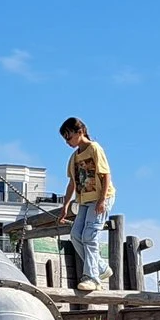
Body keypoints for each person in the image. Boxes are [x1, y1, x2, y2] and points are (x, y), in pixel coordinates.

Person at [56, 117, 114, 294]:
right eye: (65, 139)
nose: (67, 142)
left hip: (100, 198)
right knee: (75, 235)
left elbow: (105, 175)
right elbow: (72, 183)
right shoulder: (74, 157)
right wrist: (65, 205)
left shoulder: (95, 148)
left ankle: (92, 278)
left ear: (80, 132)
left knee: (89, 235)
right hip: (84, 200)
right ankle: (101, 268)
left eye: (69, 137)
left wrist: (102, 200)